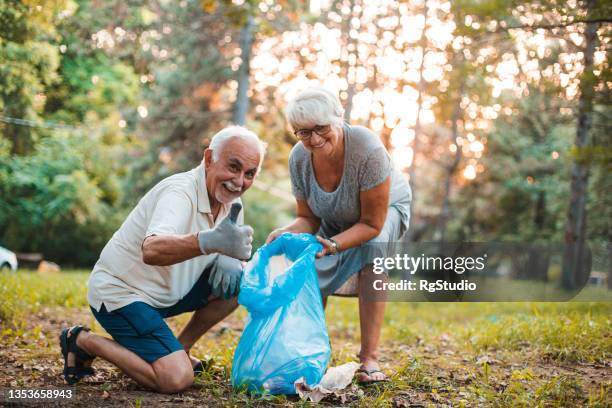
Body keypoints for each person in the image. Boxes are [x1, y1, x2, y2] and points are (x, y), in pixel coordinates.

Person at [60, 126, 266, 393]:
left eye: (249, 174)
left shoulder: (230, 201)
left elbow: (227, 251)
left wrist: (232, 261)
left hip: (167, 294)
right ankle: (82, 340)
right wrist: (208, 241)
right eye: (233, 167)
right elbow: (152, 249)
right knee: (176, 379)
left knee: (239, 282)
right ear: (208, 159)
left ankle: (180, 349)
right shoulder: (179, 193)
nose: (239, 181)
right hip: (122, 295)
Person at [266, 86, 411, 383]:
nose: (314, 140)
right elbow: (308, 218)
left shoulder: (367, 150)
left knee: (374, 248)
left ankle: (369, 358)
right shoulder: (299, 158)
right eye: (303, 132)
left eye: (321, 128)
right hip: (335, 214)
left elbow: (371, 224)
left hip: (382, 213)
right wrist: (285, 232)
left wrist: (333, 244)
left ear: (338, 117)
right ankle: (308, 352)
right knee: (306, 256)